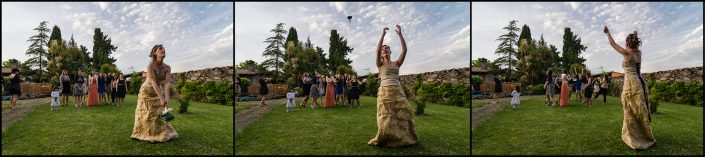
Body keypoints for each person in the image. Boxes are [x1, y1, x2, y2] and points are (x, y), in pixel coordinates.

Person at [604, 26, 655, 149]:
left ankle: (635, 137)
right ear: (636, 43)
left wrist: (607, 32)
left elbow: (612, 43)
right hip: (640, 82)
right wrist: (635, 36)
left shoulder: (627, 53)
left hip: (631, 84)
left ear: (627, 43)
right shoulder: (639, 53)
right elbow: (634, 47)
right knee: (639, 109)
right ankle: (644, 135)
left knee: (630, 110)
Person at [368, 25, 417, 147]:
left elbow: (405, 50)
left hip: (398, 91)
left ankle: (404, 137)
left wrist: (400, 34)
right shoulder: (380, 64)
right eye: (383, 48)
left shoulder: (397, 63)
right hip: (385, 92)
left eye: (387, 48)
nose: (384, 49)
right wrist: (382, 35)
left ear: (390, 52)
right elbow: (377, 50)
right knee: (386, 116)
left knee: (403, 114)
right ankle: (385, 137)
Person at [131, 44, 179, 143]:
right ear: (154, 53)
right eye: (160, 49)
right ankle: (146, 133)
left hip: (157, 91)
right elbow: (153, 81)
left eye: (164, 48)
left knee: (159, 113)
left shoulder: (167, 68)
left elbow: (167, 83)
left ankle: (158, 133)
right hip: (146, 92)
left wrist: (166, 99)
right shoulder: (150, 65)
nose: (163, 49)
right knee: (147, 113)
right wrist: (161, 98)